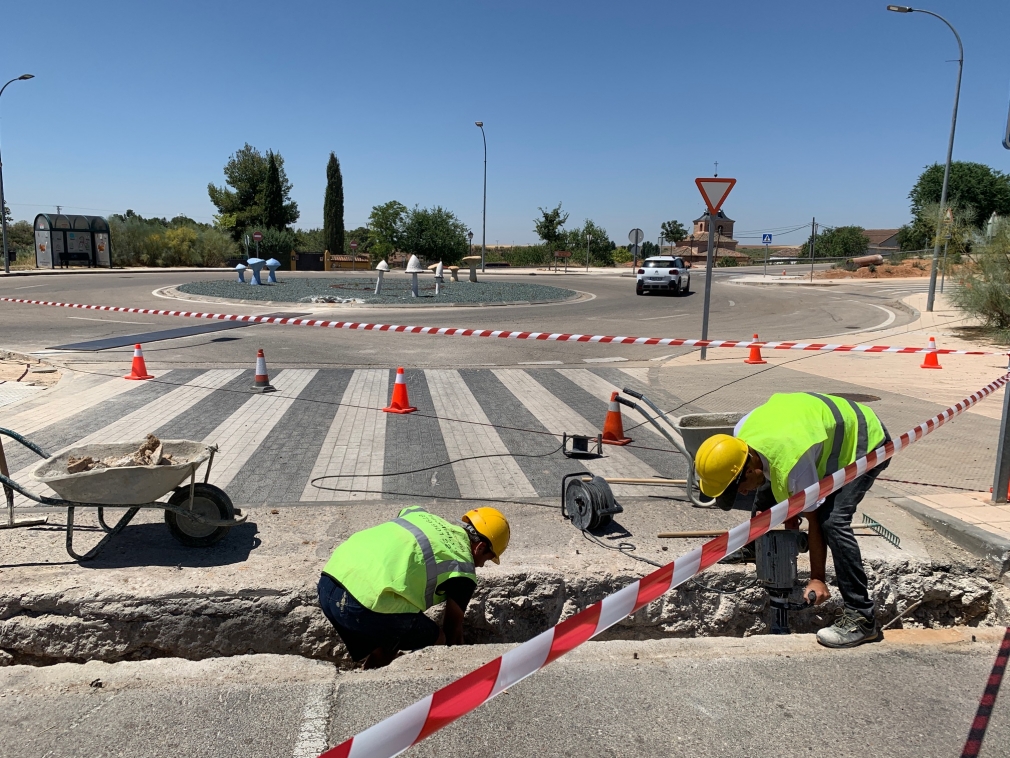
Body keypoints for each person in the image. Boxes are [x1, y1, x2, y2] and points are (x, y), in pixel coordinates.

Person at [693, 392, 890, 649]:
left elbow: (815, 520)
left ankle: (862, 617)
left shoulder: (794, 465)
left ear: (749, 467)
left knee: (834, 520)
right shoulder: (743, 436)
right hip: (816, 429)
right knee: (766, 488)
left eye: (736, 487)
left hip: (866, 441)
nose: (740, 494)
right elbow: (769, 482)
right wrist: (788, 517)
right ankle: (754, 547)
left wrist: (817, 577)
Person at [318, 505, 510, 668]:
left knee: (389, 641)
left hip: (329, 582)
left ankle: (368, 683)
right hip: (362, 606)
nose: (483, 565)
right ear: (480, 547)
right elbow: (453, 631)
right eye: (488, 558)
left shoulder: (420, 514)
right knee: (437, 639)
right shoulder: (463, 568)